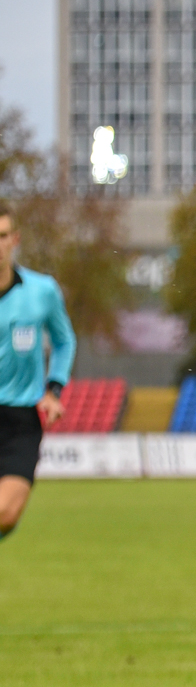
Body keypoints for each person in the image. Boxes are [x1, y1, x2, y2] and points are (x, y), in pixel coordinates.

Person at [0, 200, 75, 541]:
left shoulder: (42, 291)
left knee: (6, 514)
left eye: (3, 236)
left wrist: (54, 389)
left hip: (20, 420)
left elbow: (64, 340)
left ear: (15, 239)